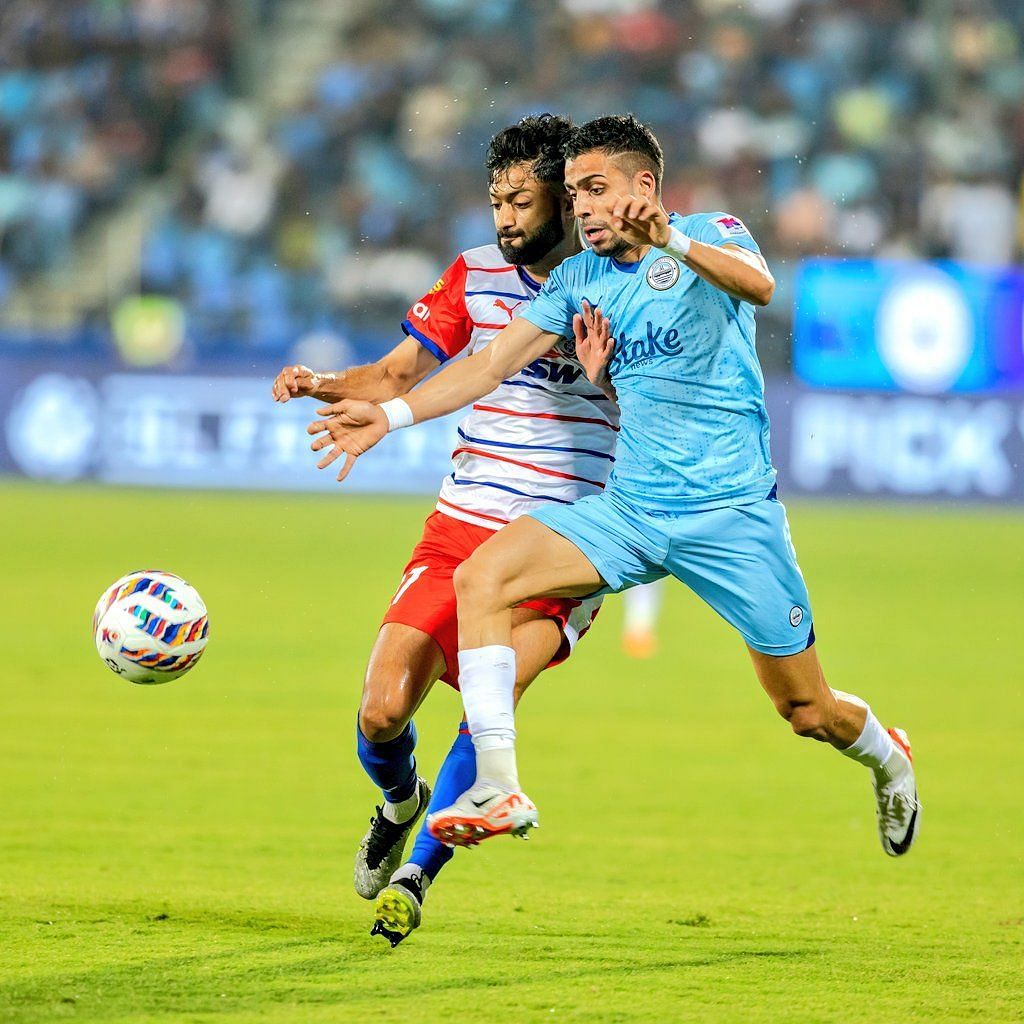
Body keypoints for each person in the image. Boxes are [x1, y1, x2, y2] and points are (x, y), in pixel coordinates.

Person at [307, 115, 921, 864]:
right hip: (630, 511)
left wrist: (672, 240)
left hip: (730, 518)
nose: (585, 208)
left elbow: (759, 286)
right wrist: (391, 416)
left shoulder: (710, 230)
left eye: (597, 190)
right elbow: (490, 364)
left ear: (646, 187)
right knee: (483, 577)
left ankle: (888, 758)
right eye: (574, 194)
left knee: (805, 709)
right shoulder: (577, 281)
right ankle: (497, 784)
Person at [276, 114, 619, 945]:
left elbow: (667, 409)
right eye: (495, 200)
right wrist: (327, 384)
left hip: (562, 543)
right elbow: (401, 372)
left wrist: (616, 379)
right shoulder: (471, 276)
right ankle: (399, 805)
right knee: (382, 711)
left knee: (489, 707)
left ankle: (415, 878)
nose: (504, 218)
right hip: (463, 523)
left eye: (521, 201)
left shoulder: (624, 285)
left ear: (565, 206)